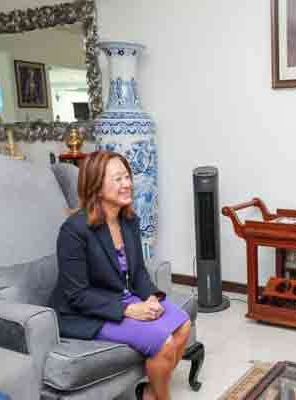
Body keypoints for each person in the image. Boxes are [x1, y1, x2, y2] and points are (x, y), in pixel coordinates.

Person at [50, 151, 191, 400]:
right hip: (84, 312)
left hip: (120, 297)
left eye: (127, 177)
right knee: (164, 341)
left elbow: (138, 272)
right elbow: (77, 295)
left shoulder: (128, 220)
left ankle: (149, 393)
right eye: (117, 179)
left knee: (183, 324)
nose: (127, 184)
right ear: (96, 185)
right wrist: (128, 309)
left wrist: (150, 298)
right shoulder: (74, 230)